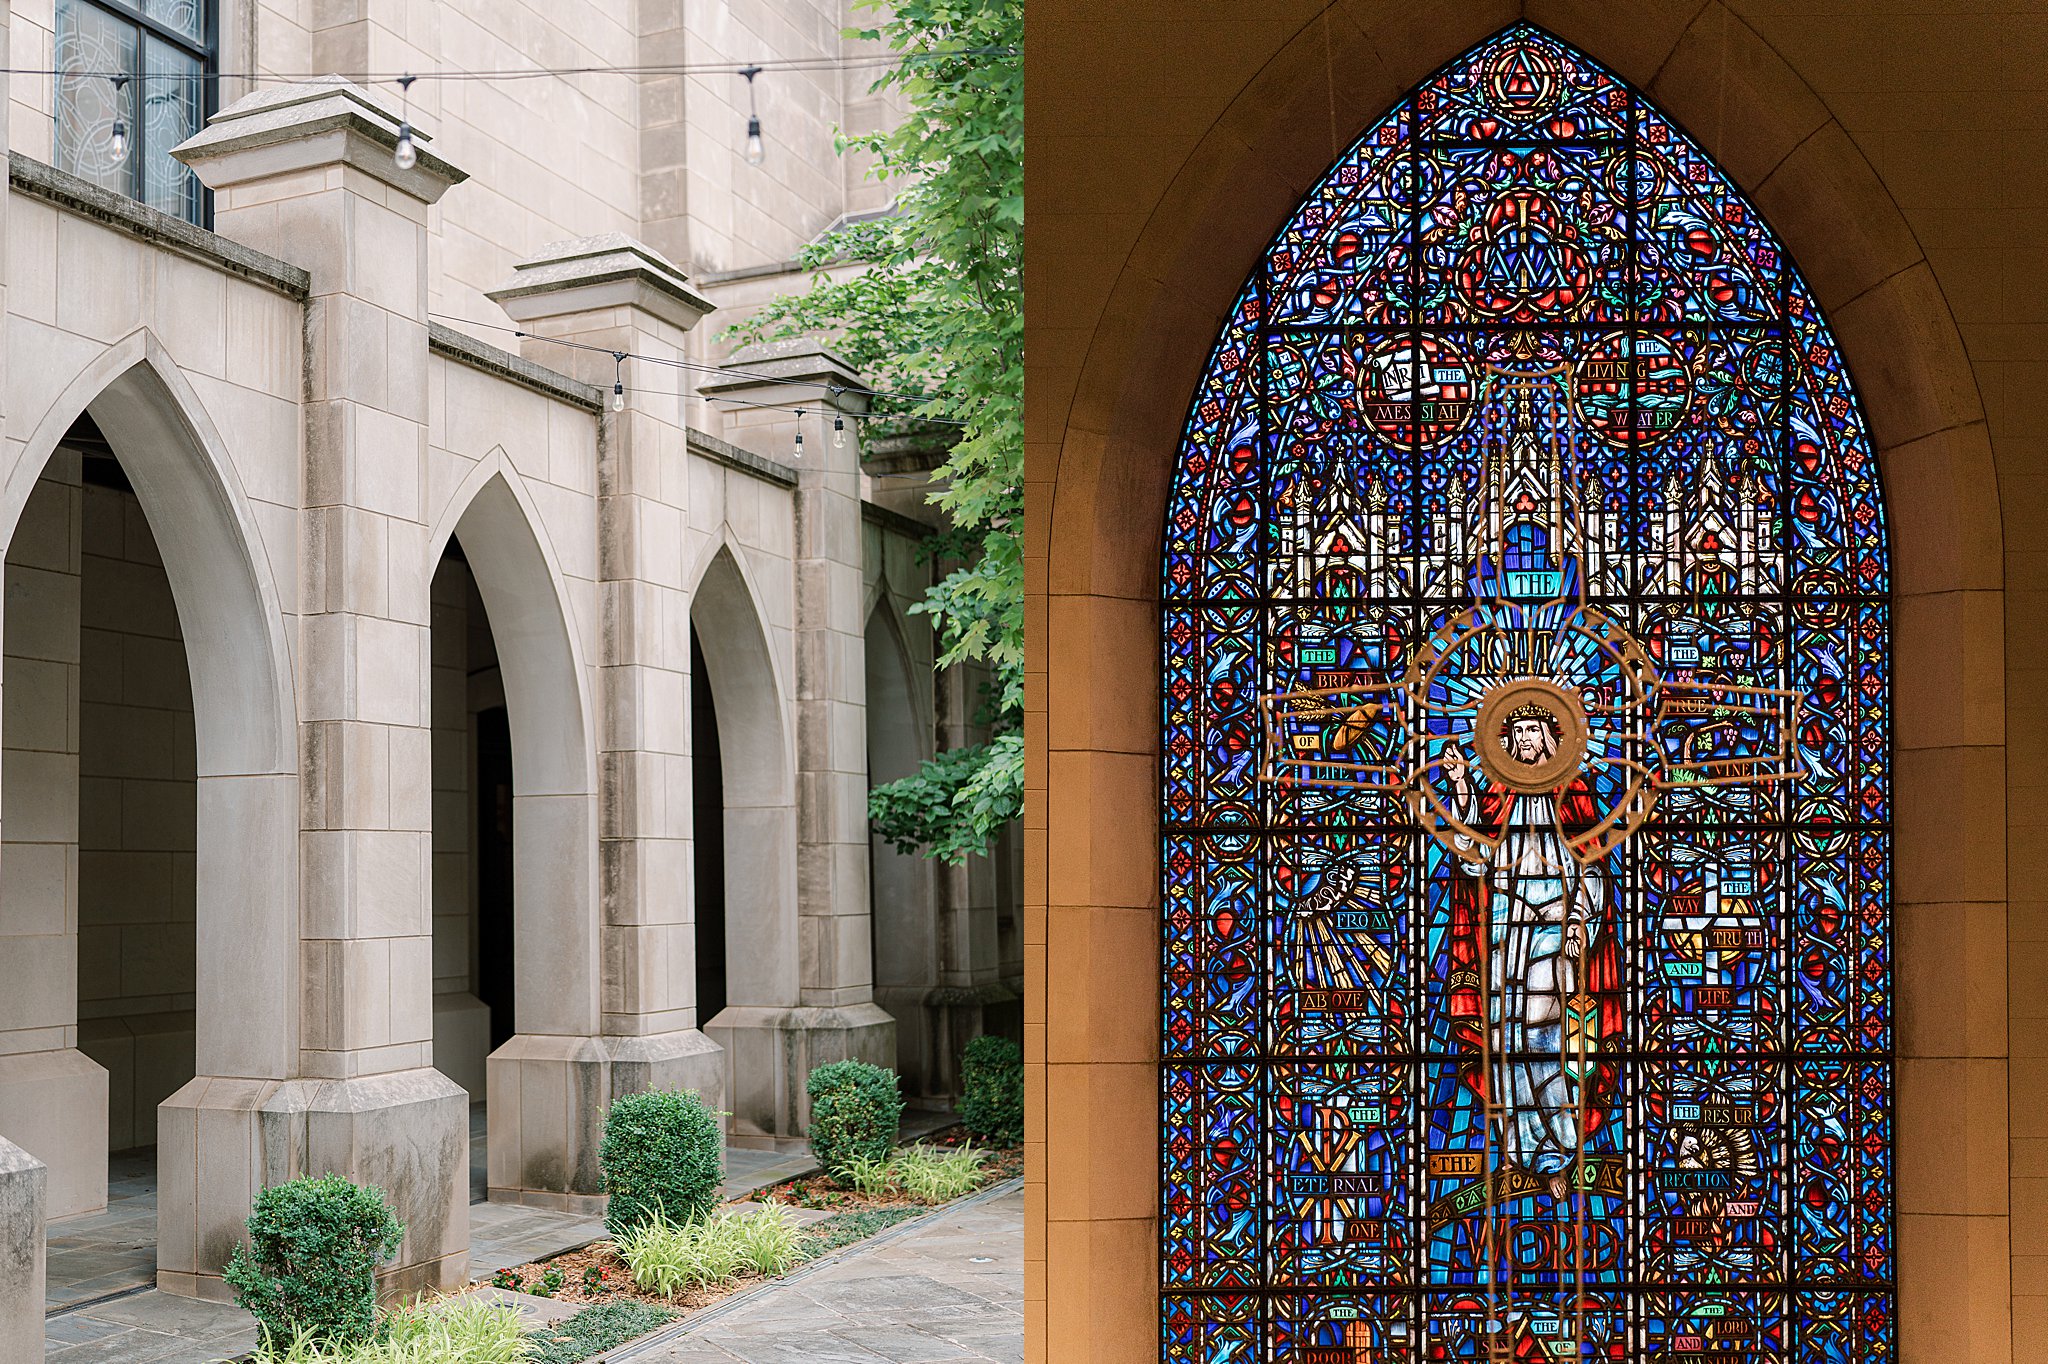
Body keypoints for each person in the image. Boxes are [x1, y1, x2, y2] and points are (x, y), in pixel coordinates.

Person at [1439, 703, 1624, 1201]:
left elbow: (1592, 861)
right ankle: (1526, 1150)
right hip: (1504, 929)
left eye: (1531, 729)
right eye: (1515, 730)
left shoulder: (1573, 794)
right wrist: (1460, 787)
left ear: (1550, 736)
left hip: (1553, 924)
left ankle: (1562, 1145)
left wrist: (1580, 918)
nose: (1522, 738)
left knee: (1545, 1027)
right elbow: (1474, 862)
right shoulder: (1496, 798)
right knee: (1507, 1036)